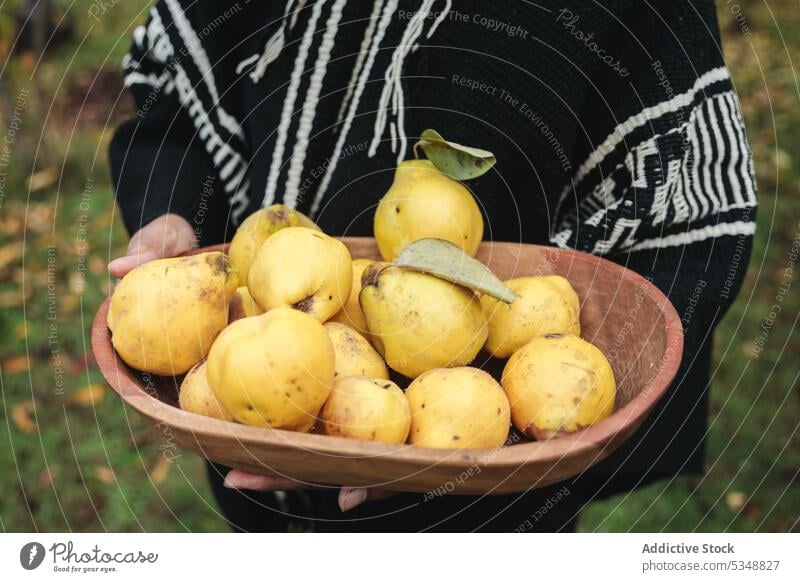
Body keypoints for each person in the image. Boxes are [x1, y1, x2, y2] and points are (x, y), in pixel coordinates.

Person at [108, 1, 756, 532]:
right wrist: (172, 211)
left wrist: (487, 453)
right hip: (245, 414)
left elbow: (692, 201)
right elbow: (178, 99)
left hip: (492, 483)